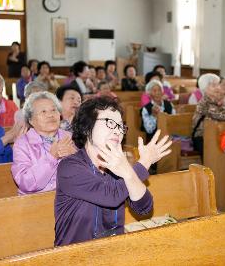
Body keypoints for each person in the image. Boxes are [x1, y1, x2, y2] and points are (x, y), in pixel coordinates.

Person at [54, 96, 172, 246]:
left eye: (120, 126)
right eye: (110, 123)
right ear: (86, 127)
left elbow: (144, 207)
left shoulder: (117, 166)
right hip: (74, 256)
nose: (117, 130)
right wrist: (144, 163)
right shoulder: (69, 167)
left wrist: (129, 172)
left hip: (113, 250)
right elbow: (110, 195)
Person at [12, 91, 76, 195]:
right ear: (31, 120)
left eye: (54, 110)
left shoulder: (70, 137)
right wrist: (51, 158)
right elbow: (26, 183)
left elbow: (88, 175)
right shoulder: (22, 144)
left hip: (70, 199)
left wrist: (76, 156)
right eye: (43, 112)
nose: (50, 115)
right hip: (36, 202)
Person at [191, 73, 225, 157]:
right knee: (221, 151)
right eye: (213, 85)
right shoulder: (205, 102)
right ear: (205, 88)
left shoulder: (216, 101)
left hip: (215, 134)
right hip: (202, 137)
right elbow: (223, 116)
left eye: (217, 85)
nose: (218, 88)